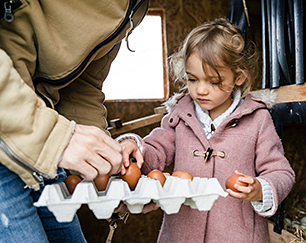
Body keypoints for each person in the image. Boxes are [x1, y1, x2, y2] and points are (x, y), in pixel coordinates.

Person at [116, 18, 296, 243]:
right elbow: (154, 152)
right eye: (193, 79)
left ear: (238, 77)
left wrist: (261, 188)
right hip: (181, 235)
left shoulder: (257, 119)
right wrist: (135, 147)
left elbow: (282, 172)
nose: (201, 90)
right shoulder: (179, 116)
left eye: (214, 81)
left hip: (239, 237)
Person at [0, 0, 151, 242]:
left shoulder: (135, 6)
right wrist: (51, 135)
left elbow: (79, 86)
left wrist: (106, 175)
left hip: (40, 147)